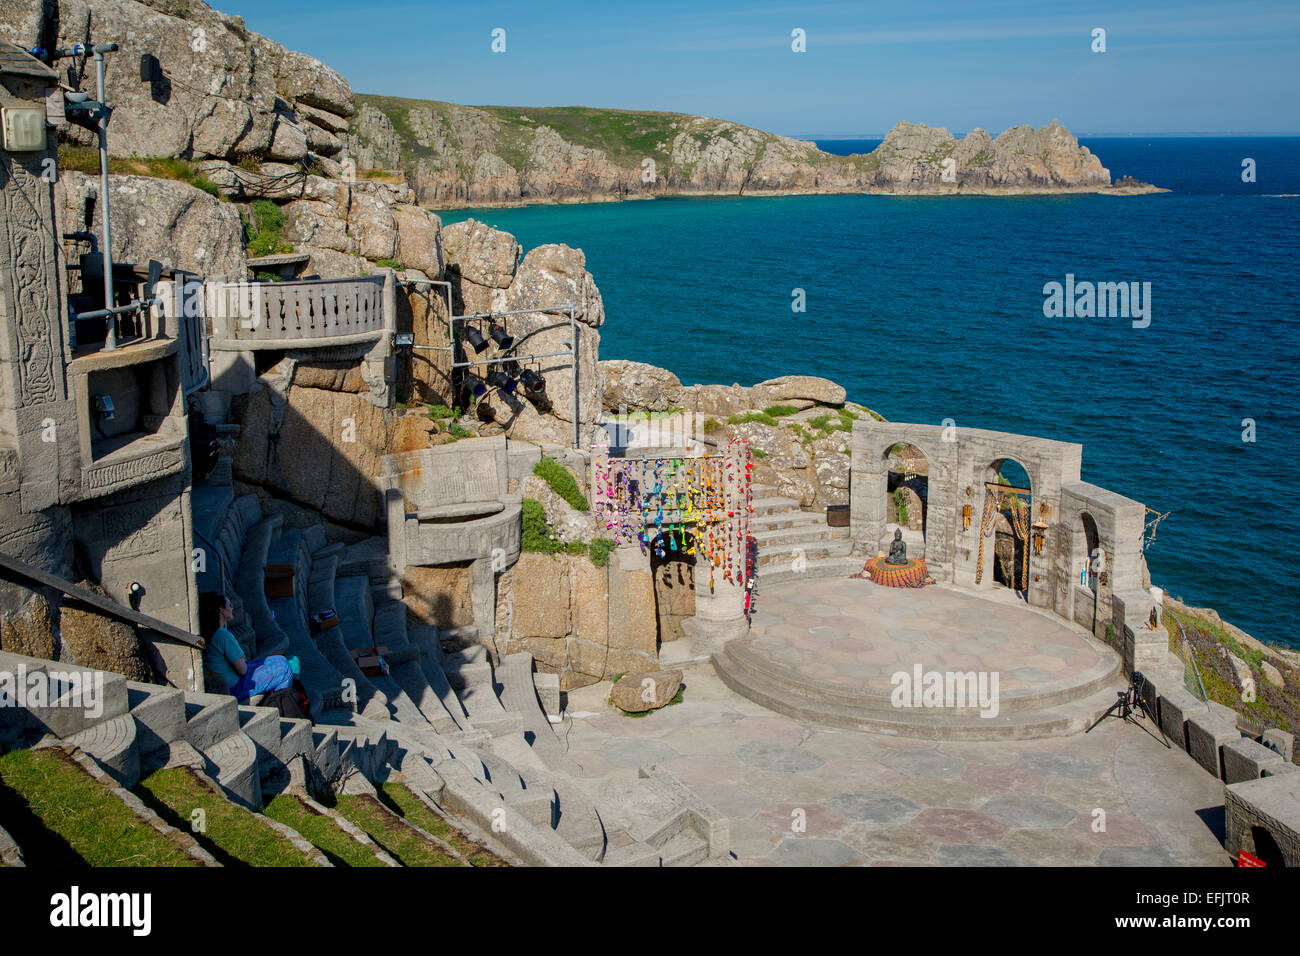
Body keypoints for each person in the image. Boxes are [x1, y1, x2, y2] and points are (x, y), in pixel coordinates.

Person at [198, 591, 296, 703]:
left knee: (280, 659)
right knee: (284, 669)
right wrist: (241, 660)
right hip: (235, 687)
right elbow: (242, 670)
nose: (232, 608)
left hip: (230, 680)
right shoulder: (223, 635)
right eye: (229, 605)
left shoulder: (211, 632)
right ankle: (281, 703)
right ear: (221, 610)